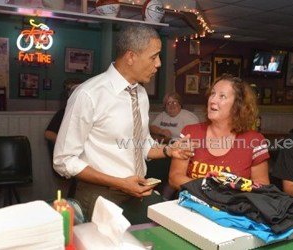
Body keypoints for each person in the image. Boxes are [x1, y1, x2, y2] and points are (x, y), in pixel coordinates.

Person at [53, 23, 193, 223]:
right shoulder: (89, 94)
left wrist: (168, 151)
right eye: (153, 57)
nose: (159, 64)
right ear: (130, 57)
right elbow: (63, 160)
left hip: (138, 190)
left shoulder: (141, 94)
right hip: (100, 195)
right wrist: (119, 183)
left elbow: (140, 143)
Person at [169, 74, 270, 191]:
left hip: (232, 207)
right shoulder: (191, 133)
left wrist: (228, 198)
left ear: (238, 105)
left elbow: (262, 185)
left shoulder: (254, 141)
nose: (212, 100)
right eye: (212, 94)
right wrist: (210, 191)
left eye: (222, 96)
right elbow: (175, 178)